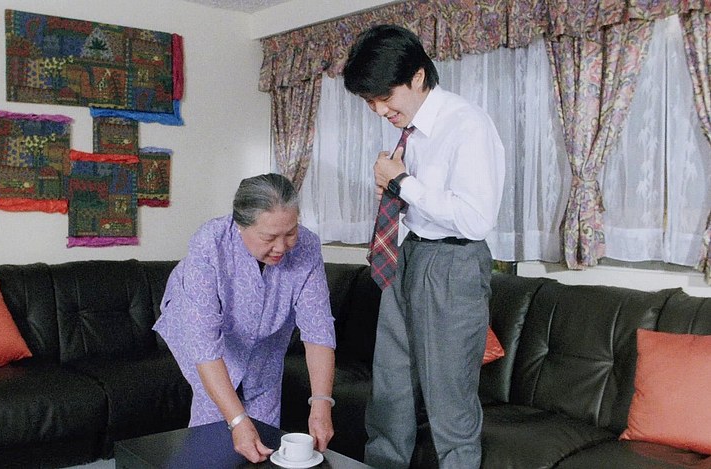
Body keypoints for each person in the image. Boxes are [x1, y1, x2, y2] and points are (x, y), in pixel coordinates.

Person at [342, 25, 505, 469]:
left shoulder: (467, 124)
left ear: (417, 76)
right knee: (390, 390)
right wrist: (397, 189)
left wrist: (402, 182)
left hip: (453, 262)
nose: (380, 110)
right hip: (408, 253)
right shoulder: (412, 130)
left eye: (384, 97)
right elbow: (421, 200)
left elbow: (475, 218)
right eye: (370, 101)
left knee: (449, 401)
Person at [152, 173, 336, 463]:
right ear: (240, 225)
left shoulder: (308, 246)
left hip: (267, 335)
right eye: (269, 237)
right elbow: (205, 346)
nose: (282, 247)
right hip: (206, 332)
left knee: (264, 429)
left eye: (290, 233)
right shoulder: (209, 243)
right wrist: (237, 420)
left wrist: (322, 404)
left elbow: (319, 329)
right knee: (216, 421)